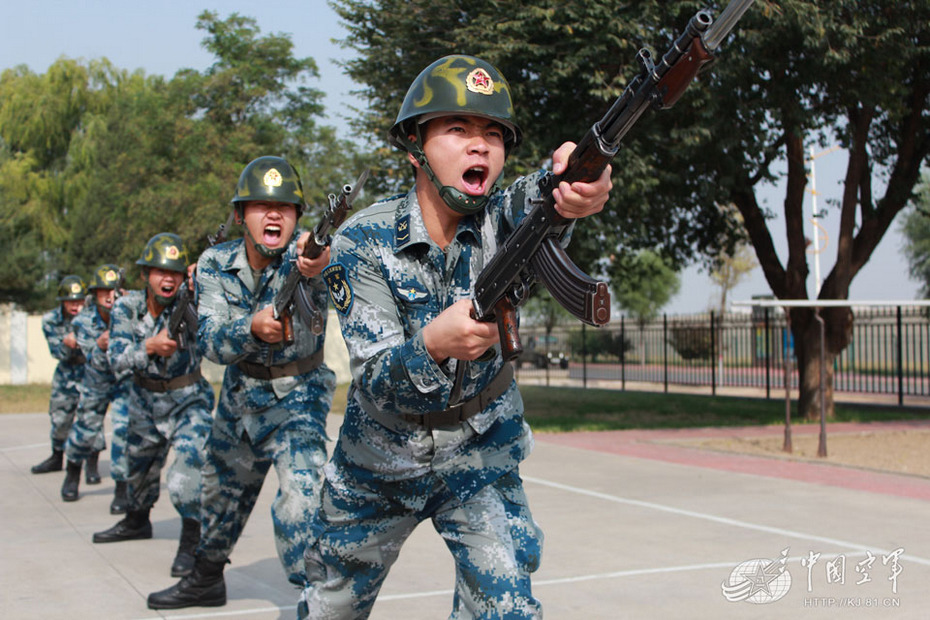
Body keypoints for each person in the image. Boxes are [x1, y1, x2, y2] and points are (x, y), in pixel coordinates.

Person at [297, 55, 611, 619]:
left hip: (479, 450)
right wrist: (433, 346)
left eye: (494, 134)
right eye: (458, 130)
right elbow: (374, 379)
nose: (480, 147)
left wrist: (577, 181)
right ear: (415, 144)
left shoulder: (502, 216)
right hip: (380, 460)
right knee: (330, 608)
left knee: (507, 611)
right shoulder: (360, 241)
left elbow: (545, 194)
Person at [146, 156, 336, 610]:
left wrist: (325, 263)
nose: (274, 214)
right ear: (239, 215)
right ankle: (206, 579)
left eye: (286, 207)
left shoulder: (313, 260)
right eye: (260, 205)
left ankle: (318, 602)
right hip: (238, 401)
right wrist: (250, 328)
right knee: (215, 496)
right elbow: (210, 340)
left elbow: (345, 277)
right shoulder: (215, 262)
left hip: (300, 400)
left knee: (302, 502)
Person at [92, 233, 215, 581]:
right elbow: (116, 359)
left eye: (175, 273)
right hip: (144, 402)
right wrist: (149, 346)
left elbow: (214, 329)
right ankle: (136, 521)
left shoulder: (192, 301)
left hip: (189, 400)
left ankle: (192, 544)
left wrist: (203, 278)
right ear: (146, 274)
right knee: (139, 473)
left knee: (187, 475)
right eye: (160, 272)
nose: (168, 279)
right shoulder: (125, 308)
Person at [60, 264, 132, 513]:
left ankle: (122, 489)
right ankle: (72, 475)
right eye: (104, 292)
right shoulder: (83, 321)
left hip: (124, 382)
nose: (109, 297)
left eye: (113, 291)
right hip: (96, 382)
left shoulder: (131, 311)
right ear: (96, 294)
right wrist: (100, 346)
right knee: (85, 430)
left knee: (124, 433)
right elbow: (88, 356)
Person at [31, 275, 87, 475]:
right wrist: (67, 343)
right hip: (66, 370)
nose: (75, 305)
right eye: (71, 301)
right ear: (62, 302)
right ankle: (56, 457)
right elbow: (56, 352)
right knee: (60, 417)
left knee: (90, 417)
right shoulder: (51, 320)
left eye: (79, 300)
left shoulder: (92, 316)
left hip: (89, 371)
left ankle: (92, 465)